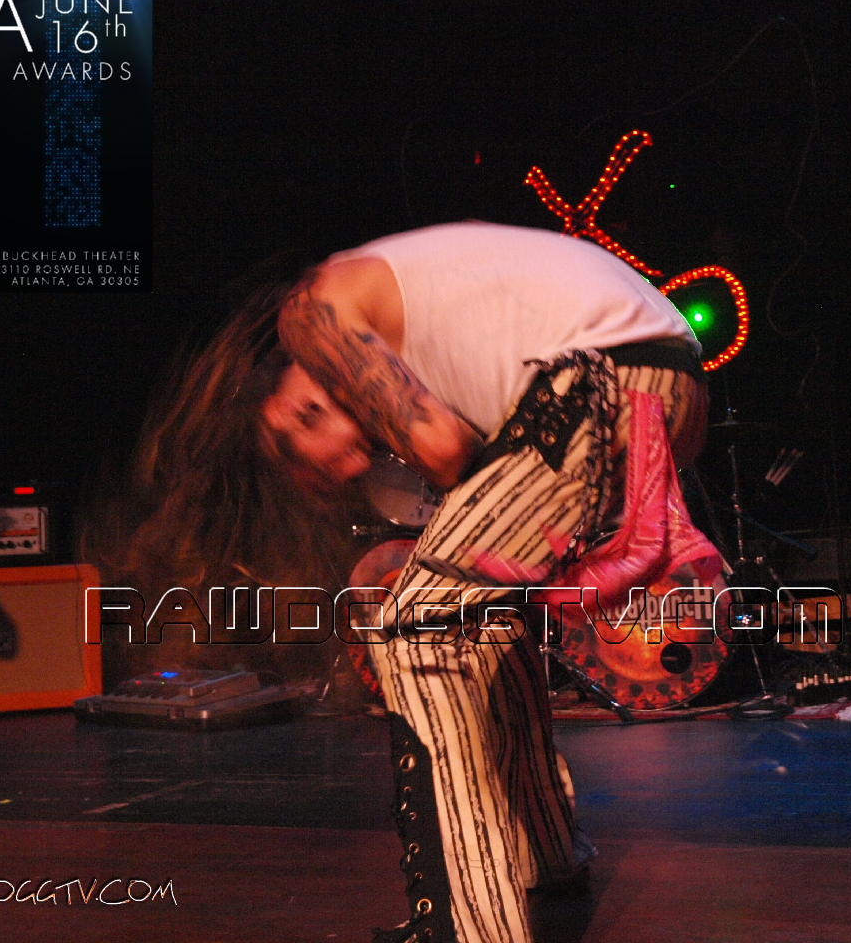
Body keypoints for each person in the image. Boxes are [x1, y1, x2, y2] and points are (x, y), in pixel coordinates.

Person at [261, 221, 715, 943]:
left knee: (415, 630)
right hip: (663, 387)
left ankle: (468, 928)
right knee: (480, 621)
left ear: (295, 406)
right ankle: (545, 855)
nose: (354, 466)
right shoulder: (414, 310)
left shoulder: (310, 311)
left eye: (320, 456)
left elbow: (442, 448)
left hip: (593, 384)